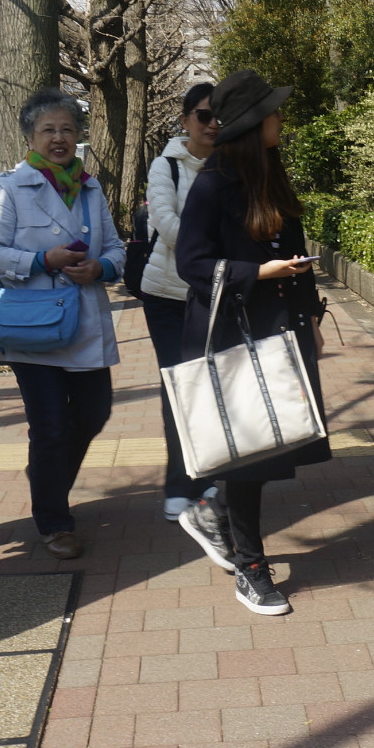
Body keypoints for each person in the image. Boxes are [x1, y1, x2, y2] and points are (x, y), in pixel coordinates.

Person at [172, 69, 328, 616]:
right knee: (249, 456)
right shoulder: (212, 184)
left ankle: (213, 512)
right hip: (229, 330)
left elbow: (296, 246)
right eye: (273, 112)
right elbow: (190, 263)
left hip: (278, 324)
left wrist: (311, 312)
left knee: (276, 441)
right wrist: (258, 273)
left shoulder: (272, 172)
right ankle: (251, 567)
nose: (281, 119)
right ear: (252, 125)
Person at [0, 89, 125, 560]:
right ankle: (54, 519)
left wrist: (101, 268)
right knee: (51, 427)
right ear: (30, 137)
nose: (59, 139)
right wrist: (42, 260)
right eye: (48, 130)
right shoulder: (10, 189)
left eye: (67, 130)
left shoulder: (92, 188)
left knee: (95, 412)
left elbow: (117, 248)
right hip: (34, 329)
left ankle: (46, 476)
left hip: (83, 323)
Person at [140, 83, 221, 520]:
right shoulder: (166, 166)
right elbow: (166, 223)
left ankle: (206, 479)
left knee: (210, 388)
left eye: (218, 117)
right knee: (178, 389)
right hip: (169, 296)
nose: (212, 124)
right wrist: (211, 253)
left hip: (216, 296)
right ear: (186, 119)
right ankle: (178, 483)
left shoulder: (230, 165)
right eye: (204, 115)